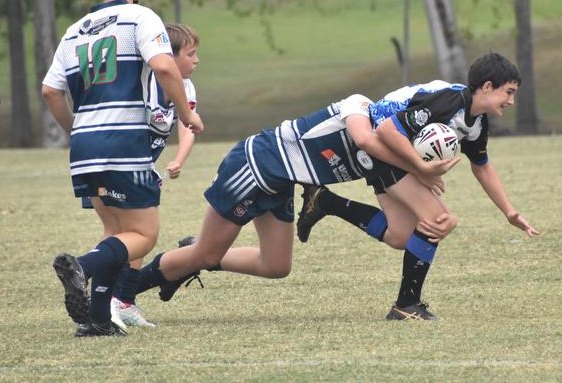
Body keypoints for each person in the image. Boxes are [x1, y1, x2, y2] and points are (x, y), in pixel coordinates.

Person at [133, 91, 460, 321]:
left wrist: (418, 171)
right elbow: (363, 137)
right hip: (259, 162)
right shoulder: (360, 109)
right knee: (206, 251)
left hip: (281, 181)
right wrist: (419, 167)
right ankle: (123, 290)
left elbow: (402, 221)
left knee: (276, 265)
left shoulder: (385, 149)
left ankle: (194, 258)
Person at [297, 53, 540, 319]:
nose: (512, 101)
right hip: (379, 145)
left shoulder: (477, 123)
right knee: (440, 219)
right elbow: (387, 130)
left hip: (394, 151)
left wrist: (509, 212)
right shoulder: (450, 102)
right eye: (509, 92)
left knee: (400, 235)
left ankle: (324, 201)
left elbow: (482, 166)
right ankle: (406, 305)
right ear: (487, 87)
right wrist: (421, 169)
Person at [42, 0, 203, 337]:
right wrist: (186, 112)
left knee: (115, 234)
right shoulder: (141, 18)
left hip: (85, 146)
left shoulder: (74, 29)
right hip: (125, 143)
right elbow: (164, 66)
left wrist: (76, 131)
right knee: (143, 235)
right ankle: (82, 266)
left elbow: (50, 91)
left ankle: (97, 317)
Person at [109, 23, 201, 330]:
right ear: (168, 58)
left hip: (144, 168)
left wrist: (178, 159)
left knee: (137, 238)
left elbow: (187, 125)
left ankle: (121, 302)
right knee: (135, 235)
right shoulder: (142, 81)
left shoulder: (185, 88)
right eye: (190, 53)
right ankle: (102, 295)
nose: (196, 60)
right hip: (123, 164)